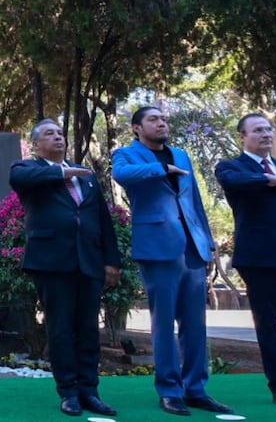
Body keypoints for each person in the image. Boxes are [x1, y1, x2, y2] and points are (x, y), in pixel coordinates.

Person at [112, 106, 233, 416]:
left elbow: (194, 202)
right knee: (163, 323)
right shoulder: (126, 155)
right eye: (153, 119)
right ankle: (169, 390)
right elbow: (122, 176)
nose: (161, 123)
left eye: (163, 118)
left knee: (195, 324)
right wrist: (160, 170)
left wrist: (207, 242)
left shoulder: (181, 154)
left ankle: (196, 389)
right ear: (137, 128)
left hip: (192, 248)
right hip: (157, 247)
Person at [9, 119, 121, 417]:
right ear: (35, 144)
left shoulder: (85, 176)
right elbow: (21, 180)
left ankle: (90, 391)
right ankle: (68, 392)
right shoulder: (27, 170)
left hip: (89, 262)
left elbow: (102, 220)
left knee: (88, 329)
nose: (58, 137)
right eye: (50, 134)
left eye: (60, 133)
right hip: (52, 263)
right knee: (59, 329)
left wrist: (111, 260)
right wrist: (60, 172)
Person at [215, 113, 276, 406]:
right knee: (268, 324)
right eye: (258, 130)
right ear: (242, 136)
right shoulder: (231, 167)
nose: (266, 134)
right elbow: (234, 182)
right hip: (259, 259)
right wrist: (270, 180)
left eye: (269, 129)